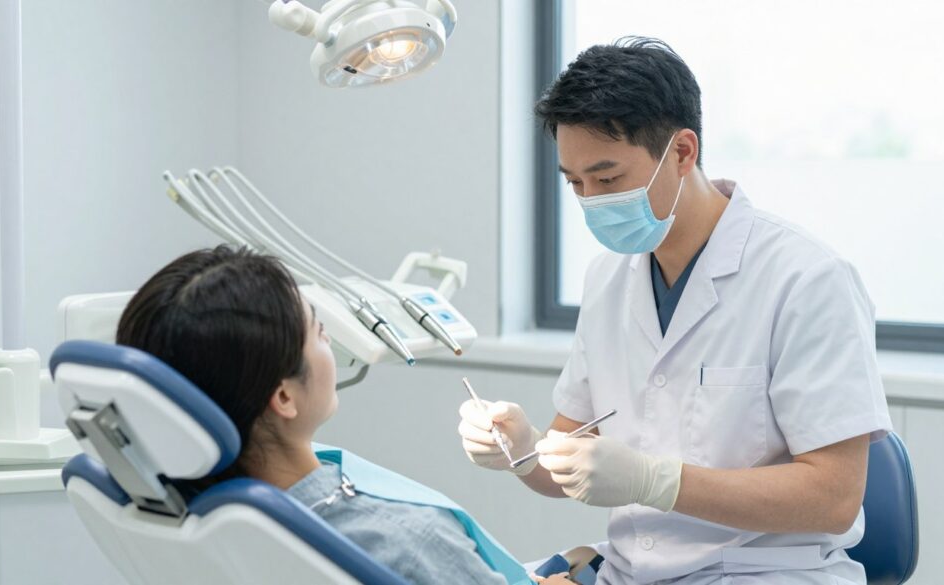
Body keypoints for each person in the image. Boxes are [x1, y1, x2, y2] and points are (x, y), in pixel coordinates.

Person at [458, 37, 892, 585]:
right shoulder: (608, 278)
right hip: (627, 570)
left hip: (764, 573)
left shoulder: (807, 279)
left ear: (683, 152)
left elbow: (833, 498)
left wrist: (655, 481)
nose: (592, 200)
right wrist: (521, 450)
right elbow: (570, 454)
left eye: (608, 178)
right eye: (576, 184)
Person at [115, 245, 570, 585]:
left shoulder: (175, 512)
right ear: (285, 398)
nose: (331, 340)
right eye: (318, 332)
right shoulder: (405, 541)